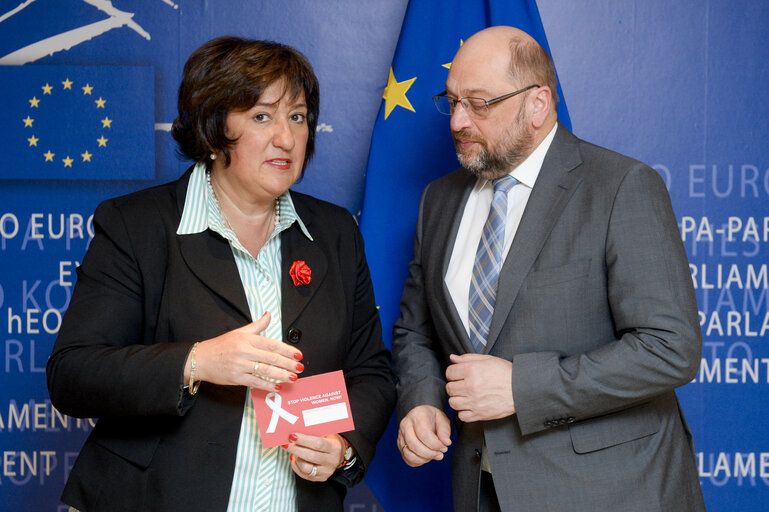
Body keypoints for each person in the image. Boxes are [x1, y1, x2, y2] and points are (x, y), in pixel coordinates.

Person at [47, 36, 395, 512]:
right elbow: (73, 374)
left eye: (296, 116)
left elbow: (371, 372)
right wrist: (197, 362)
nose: (286, 138)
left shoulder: (334, 232)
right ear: (212, 132)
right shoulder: (137, 225)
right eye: (261, 116)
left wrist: (343, 445)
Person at [392, 26, 705, 512]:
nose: (457, 121)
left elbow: (670, 348)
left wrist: (521, 386)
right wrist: (423, 399)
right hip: (481, 490)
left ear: (537, 104)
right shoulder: (440, 199)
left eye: (479, 103)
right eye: (451, 101)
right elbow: (418, 330)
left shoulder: (621, 186)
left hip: (612, 493)